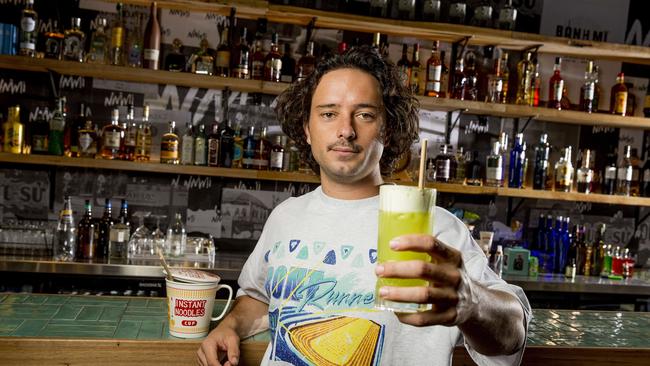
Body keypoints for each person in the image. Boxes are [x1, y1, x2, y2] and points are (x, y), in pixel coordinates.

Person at [198, 45, 530, 366]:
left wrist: (472, 304)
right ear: (307, 130)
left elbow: (514, 334)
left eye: (365, 114)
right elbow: (258, 297)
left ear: (386, 129)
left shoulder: (434, 228)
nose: (346, 130)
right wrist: (231, 325)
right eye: (329, 114)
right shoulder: (286, 216)